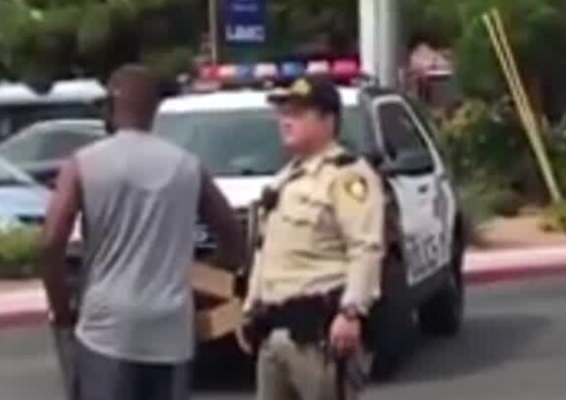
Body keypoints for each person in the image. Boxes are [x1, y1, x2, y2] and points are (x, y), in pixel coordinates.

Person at [40, 64, 245, 400]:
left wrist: (62, 308)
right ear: (154, 110)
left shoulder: (83, 163)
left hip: (106, 327)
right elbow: (233, 241)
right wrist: (195, 278)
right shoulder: (187, 165)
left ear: (110, 108)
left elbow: (50, 243)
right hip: (171, 329)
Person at [241, 75, 386, 400]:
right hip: (275, 331)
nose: (285, 121)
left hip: (318, 335)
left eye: (297, 113)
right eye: (283, 112)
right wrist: (251, 307)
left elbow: (365, 247)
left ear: (327, 120)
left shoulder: (347, 176)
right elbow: (266, 251)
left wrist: (351, 313)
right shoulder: (287, 178)